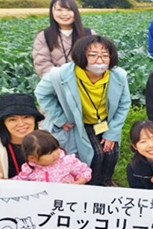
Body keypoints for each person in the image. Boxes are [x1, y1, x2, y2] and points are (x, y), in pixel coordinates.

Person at [35, 35, 131, 186]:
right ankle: (88, 185)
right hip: (77, 123)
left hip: (103, 122)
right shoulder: (61, 75)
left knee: (110, 153)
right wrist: (60, 118)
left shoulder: (118, 75)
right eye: (92, 55)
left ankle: (106, 183)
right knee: (95, 155)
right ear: (80, 56)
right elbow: (42, 93)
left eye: (105, 55)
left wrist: (112, 132)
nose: (100, 60)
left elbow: (124, 103)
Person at [0, 93, 44, 229]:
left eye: (26, 117)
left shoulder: (47, 140)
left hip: (42, 202)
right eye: (12, 119)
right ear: (3, 123)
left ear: (34, 118)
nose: (21, 124)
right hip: (5, 205)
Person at [32, 0, 96, 77]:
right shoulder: (43, 36)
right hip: (55, 84)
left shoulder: (89, 34)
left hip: (86, 84)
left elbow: (97, 60)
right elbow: (42, 64)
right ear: (52, 12)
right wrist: (61, 80)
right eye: (59, 10)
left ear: (75, 12)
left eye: (69, 10)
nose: (64, 14)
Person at [12, 130, 91, 184]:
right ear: (32, 158)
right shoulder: (29, 169)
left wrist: (77, 183)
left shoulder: (67, 161)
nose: (55, 154)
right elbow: (18, 182)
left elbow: (85, 172)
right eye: (49, 153)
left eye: (56, 148)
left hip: (66, 200)